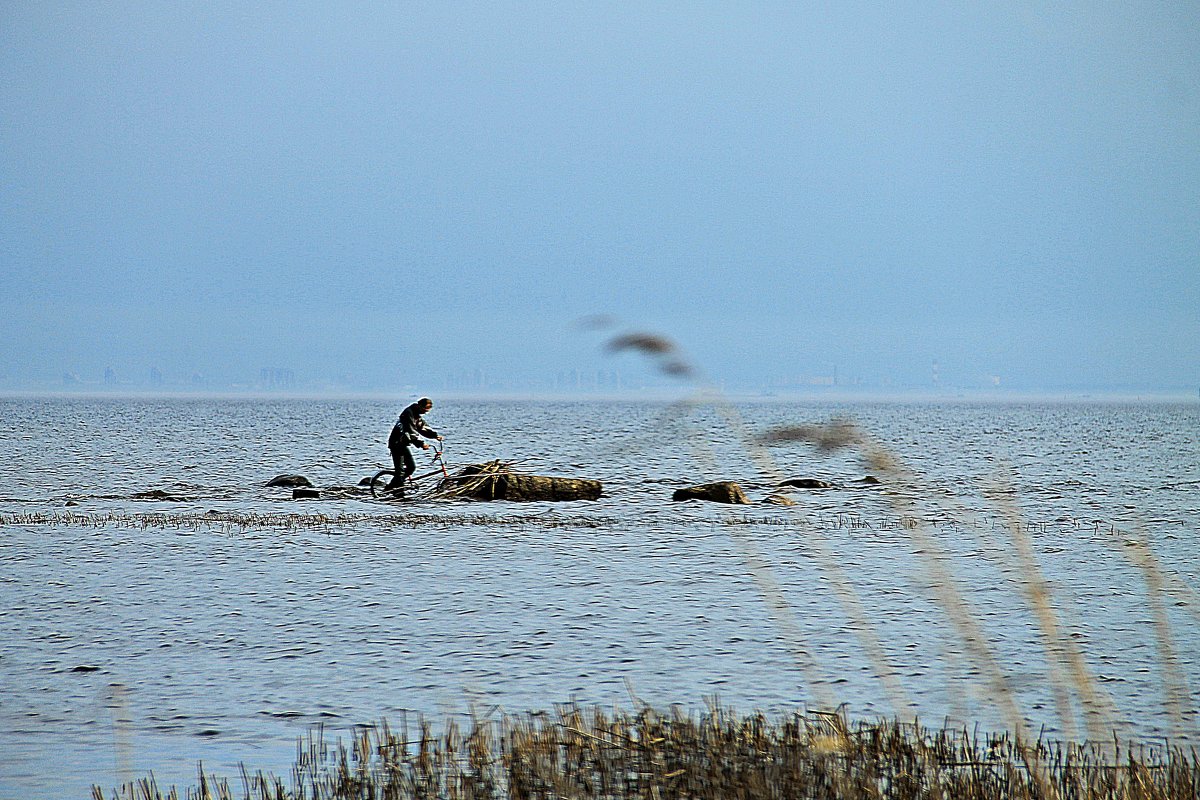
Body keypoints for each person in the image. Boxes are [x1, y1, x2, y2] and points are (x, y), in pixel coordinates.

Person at [384, 397, 442, 493]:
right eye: (425, 409)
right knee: (400, 471)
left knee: (411, 467)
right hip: (396, 443)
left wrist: (435, 436)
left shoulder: (416, 415)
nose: (426, 412)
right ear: (420, 406)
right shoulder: (408, 414)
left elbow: (422, 427)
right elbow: (411, 431)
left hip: (403, 444)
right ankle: (396, 491)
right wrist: (421, 444)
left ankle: (394, 486)